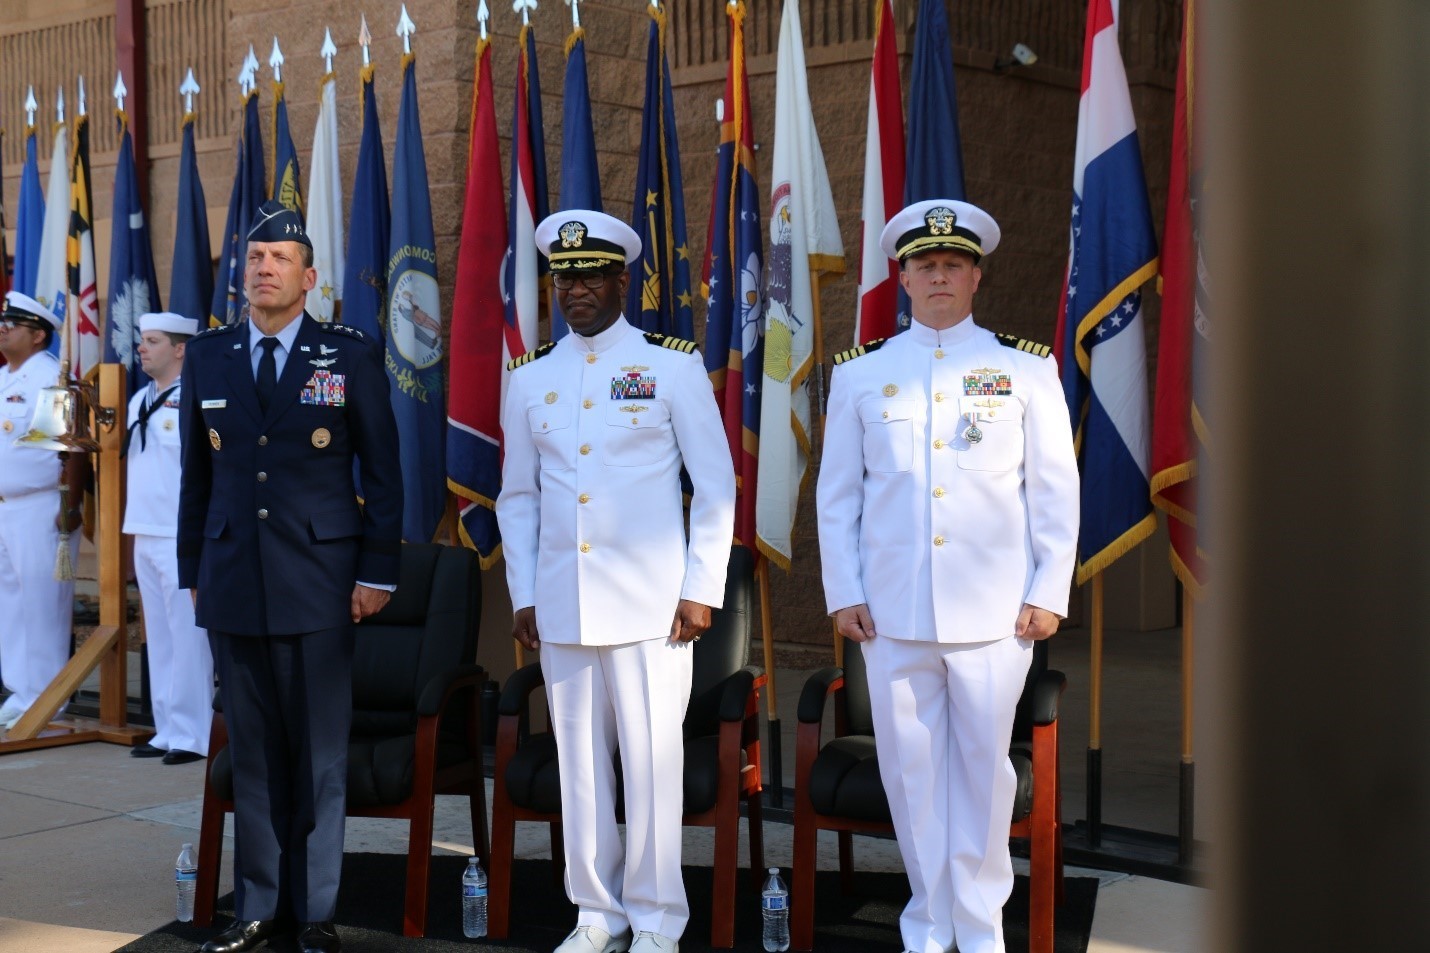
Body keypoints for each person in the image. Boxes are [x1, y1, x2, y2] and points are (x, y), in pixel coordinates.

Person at [816, 199, 1079, 953]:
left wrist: (1047, 590)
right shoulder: (862, 374)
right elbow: (838, 496)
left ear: (976, 276)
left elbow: (1054, 490)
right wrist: (845, 592)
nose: (939, 276)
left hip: (996, 616)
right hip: (892, 616)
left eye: (952, 264)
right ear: (902, 277)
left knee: (983, 776)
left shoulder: (1024, 369)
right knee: (911, 778)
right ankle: (930, 924)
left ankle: (981, 924)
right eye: (924, 265)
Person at [497, 210, 736, 953]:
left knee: (652, 767)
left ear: (622, 280)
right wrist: (525, 592)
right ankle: (596, 912)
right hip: (564, 604)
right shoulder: (531, 375)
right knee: (579, 768)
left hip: (652, 609)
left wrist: (701, 587)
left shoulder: (671, 364)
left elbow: (717, 483)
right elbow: (518, 496)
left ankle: (659, 918)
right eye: (564, 277)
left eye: (590, 274)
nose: (575, 289)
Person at [178, 202, 402, 953]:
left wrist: (377, 572)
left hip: (320, 581)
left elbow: (384, 472)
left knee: (319, 757)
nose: (263, 268)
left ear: (309, 278)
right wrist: (193, 571)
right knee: (253, 753)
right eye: (254, 258)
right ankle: (256, 906)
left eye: (279, 258)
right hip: (234, 577)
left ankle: (314, 912)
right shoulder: (209, 357)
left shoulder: (349, 354)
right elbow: (195, 477)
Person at [123, 312, 213, 766]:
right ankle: (166, 728)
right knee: (158, 636)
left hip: (178, 532)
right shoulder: (141, 397)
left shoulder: (193, 398)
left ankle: (194, 734)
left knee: (187, 635)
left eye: (153, 341)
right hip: (144, 528)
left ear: (180, 349)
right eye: (142, 340)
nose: (142, 348)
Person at [0, 291, 83, 732]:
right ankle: (21, 689)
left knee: (41, 605)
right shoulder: (3, 378)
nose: (3, 328)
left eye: (12, 323)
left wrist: (72, 503)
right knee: (11, 604)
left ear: (37, 335)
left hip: (41, 504)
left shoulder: (51, 377)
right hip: (5, 506)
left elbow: (70, 448)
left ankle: (49, 696)